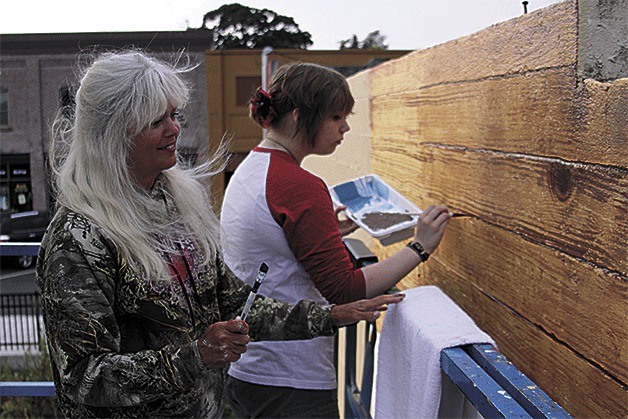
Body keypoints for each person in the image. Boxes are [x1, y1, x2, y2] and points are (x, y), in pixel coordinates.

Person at [35, 50, 405, 418]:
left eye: (174, 114)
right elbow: (83, 377)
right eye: (156, 121)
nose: (174, 128)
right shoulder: (77, 240)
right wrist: (196, 354)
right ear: (112, 133)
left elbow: (233, 303)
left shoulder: (175, 206)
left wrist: (328, 317)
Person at [220, 62, 451, 418]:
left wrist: (324, 234)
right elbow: (345, 290)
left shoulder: (252, 168)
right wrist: (420, 246)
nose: (345, 127)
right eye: (336, 116)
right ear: (299, 117)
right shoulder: (299, 185)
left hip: (249, 369)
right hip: (292, 381)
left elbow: (273, 248)